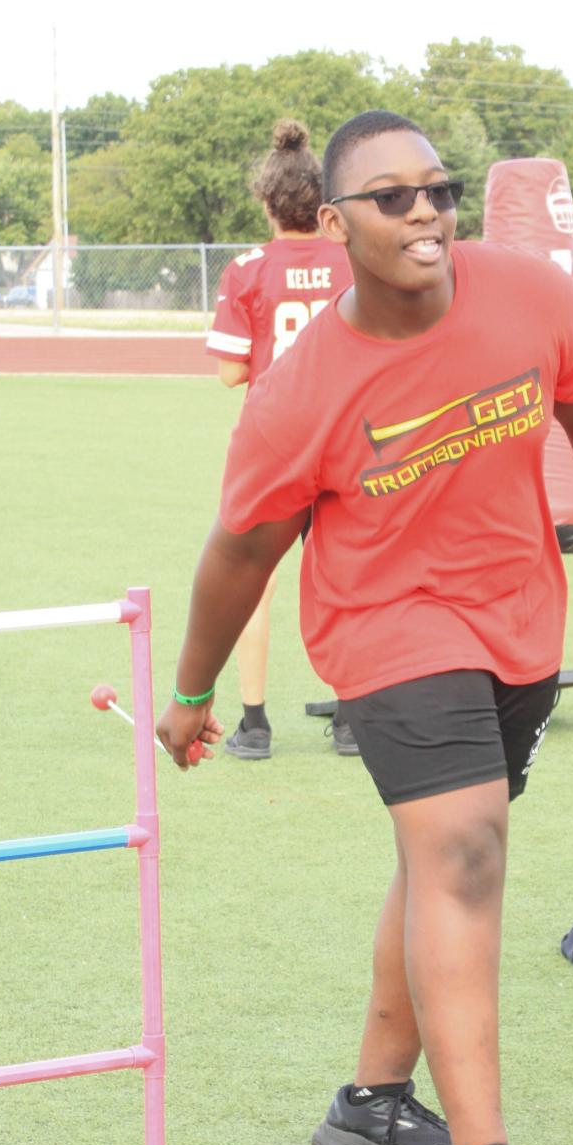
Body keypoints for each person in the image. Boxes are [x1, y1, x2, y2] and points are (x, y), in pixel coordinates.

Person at [159, 110, 573, 1145]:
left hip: (517, 623)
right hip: (386, 633)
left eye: (439, 191)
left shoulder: (528, 297)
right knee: (464, 853)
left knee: (437, 855)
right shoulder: (297, 396)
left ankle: (369, 1103)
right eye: (392, 198)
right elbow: (239, 552)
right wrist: (195, 688)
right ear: (335, 222)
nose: (425, 215)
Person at [206, 120, 355, 760]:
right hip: (348, 441)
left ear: (267, 203)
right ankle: (352, 719)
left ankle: (255, 724)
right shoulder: (353, 258)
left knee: (253, 585)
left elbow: (230, 371)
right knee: (352, 584)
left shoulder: (247, 269)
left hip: (273, 446)